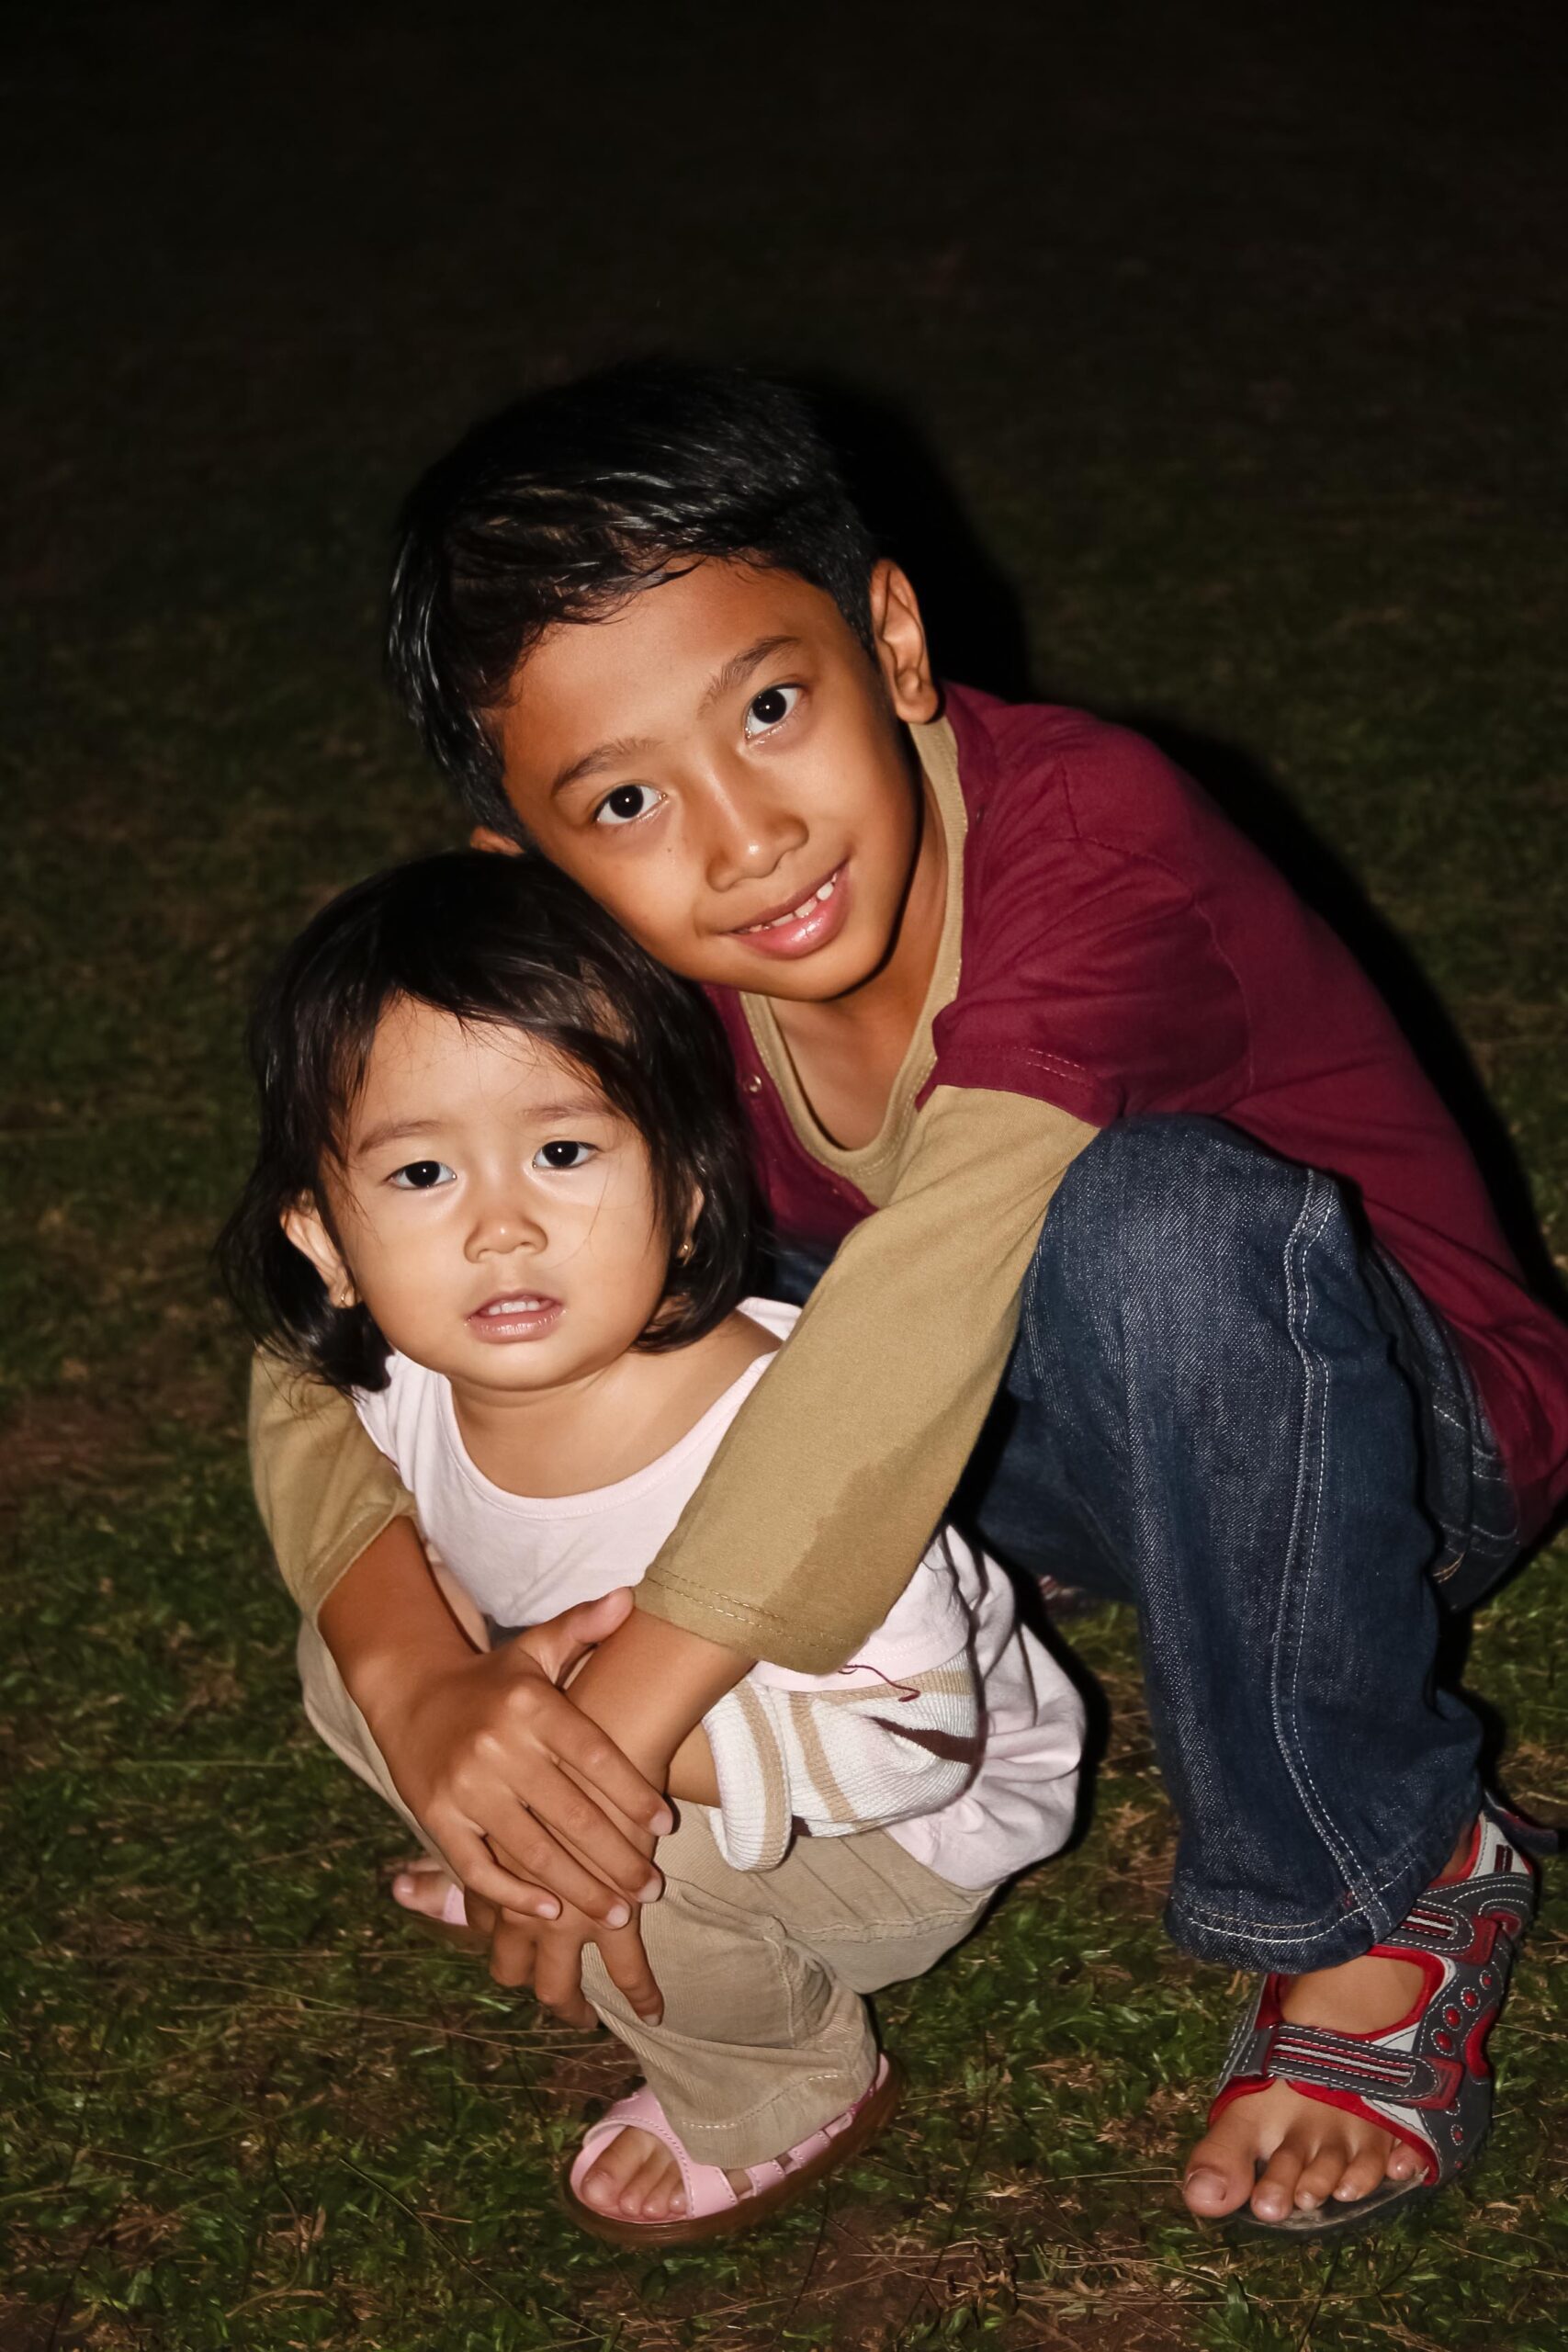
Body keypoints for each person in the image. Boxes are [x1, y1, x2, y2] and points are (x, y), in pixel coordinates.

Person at [247, 362, 1568, 2236]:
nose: (743, 839)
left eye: (769, 708)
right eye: (624, 799)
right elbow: (320, 1318)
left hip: (1380, 1434)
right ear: (535, 871)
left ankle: (1377, 1881)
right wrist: (422, 1679)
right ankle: (806, 1668)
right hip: (1017, 1441)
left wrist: (612, 1742)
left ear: (891, 639)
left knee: (1147, 1221)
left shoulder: (1088, 836)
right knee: (517, 1208)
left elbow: (930, 1305)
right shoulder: (629, 953)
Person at [221, 849, 1085, 2243]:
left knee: (643, 1869)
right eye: (423, 1172)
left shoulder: (789, 1431)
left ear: (683, 1193)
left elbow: (915, 1742)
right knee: (354, 1652)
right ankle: (521, 1837)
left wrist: (592, 1762)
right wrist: (509, 1744)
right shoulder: (406, 1385)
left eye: (564, 1153)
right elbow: (372, 1537)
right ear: (326, 1242)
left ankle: (781, 2083)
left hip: (905, 1825)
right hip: (669, 1737)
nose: (502, 1227)